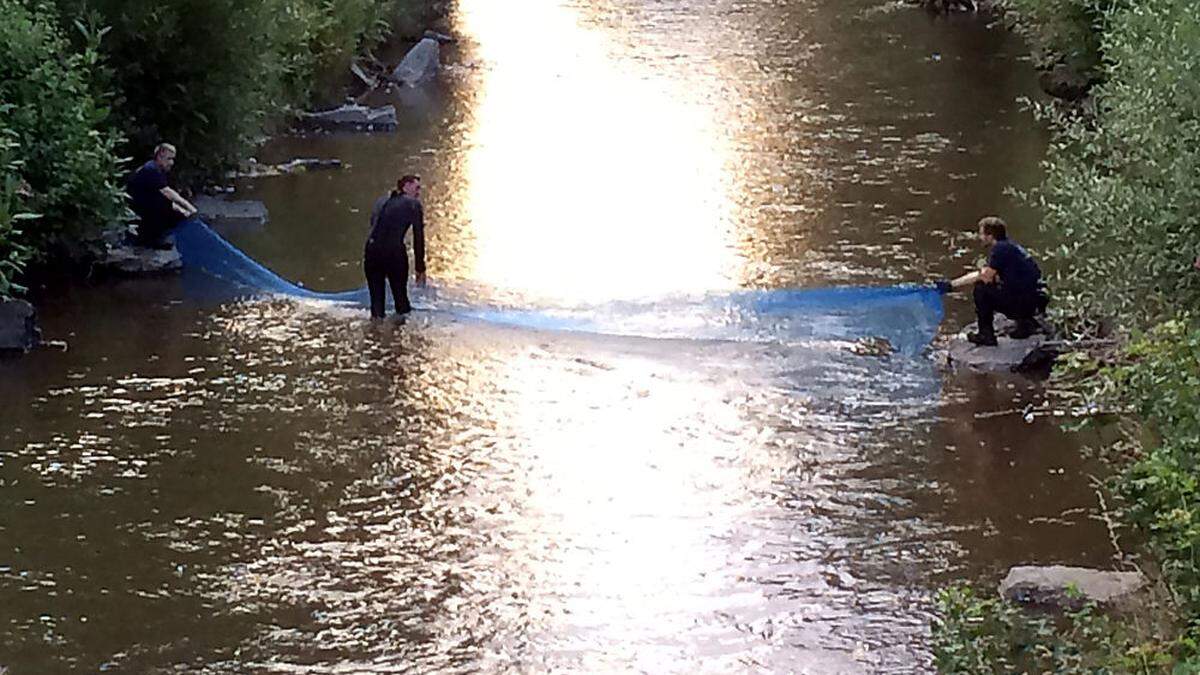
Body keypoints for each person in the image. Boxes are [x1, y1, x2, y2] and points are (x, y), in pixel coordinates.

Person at [936, 216, 1048, 346]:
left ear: (990, 235)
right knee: (998, 283)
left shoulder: (1000, 249)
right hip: (1037, 300)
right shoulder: (1011, 246)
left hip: (1026, 304)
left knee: (981, 288)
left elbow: (984, 276)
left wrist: (951, 285)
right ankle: (1026, 323)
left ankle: (986, 335)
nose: (979, 237)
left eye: (981, 233)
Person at [364, 174, 427, 318]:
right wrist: (420, 268)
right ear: (406, 186)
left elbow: (374, 226)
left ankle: (375, 335)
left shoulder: (381, 201)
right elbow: (419, 237)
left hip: (371, 252)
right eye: (417, 188)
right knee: (402, 303)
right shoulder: (413, 204)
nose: (418, 193)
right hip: (394, 254)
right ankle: (399, 337)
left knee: (377, 306)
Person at [126, 143, 197, 248]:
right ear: (160, 156)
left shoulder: (156, 169)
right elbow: (167, 192)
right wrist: (189, 208)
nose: (171, 163)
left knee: (177, 211)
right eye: (169, 159)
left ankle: (154, 239)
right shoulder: (151, 169)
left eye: (172, 159)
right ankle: (150, 241)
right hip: (139, 210)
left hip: (144, 207)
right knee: (178, 215)